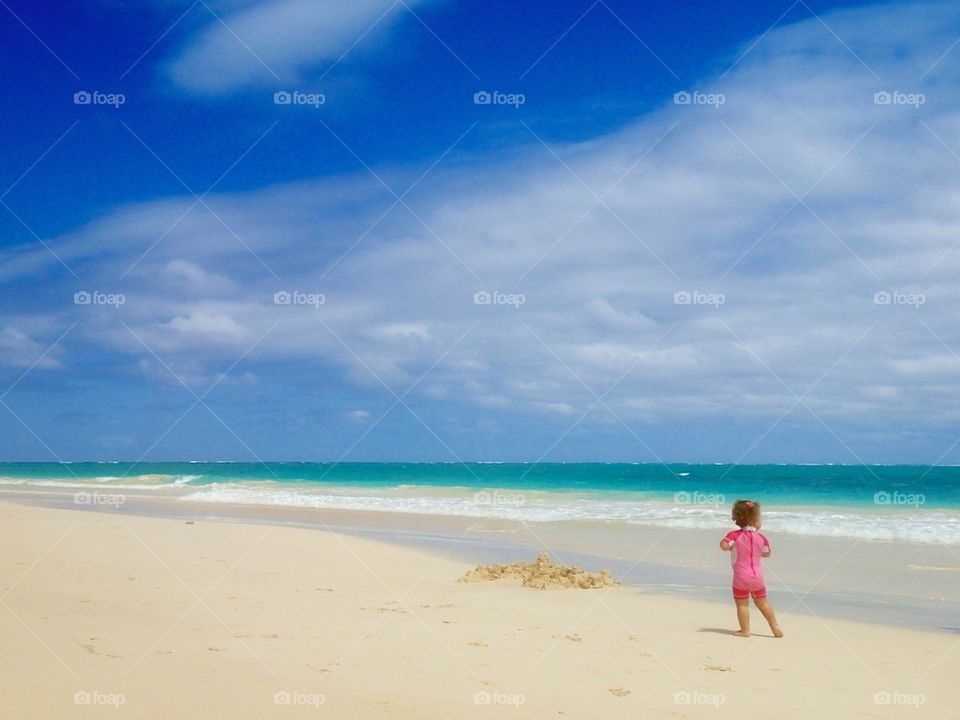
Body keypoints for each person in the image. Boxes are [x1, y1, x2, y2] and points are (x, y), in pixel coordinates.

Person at [719, 499, 783, 638]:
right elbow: (767, 554)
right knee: (763, 602)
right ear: (755, 520)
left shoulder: (734, 535)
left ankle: (745, 630)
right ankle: (774, 626)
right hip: (757, 577)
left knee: (742, 604)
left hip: (741, 577)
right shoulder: (762, 537)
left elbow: (724, 546)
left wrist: (730, 546)